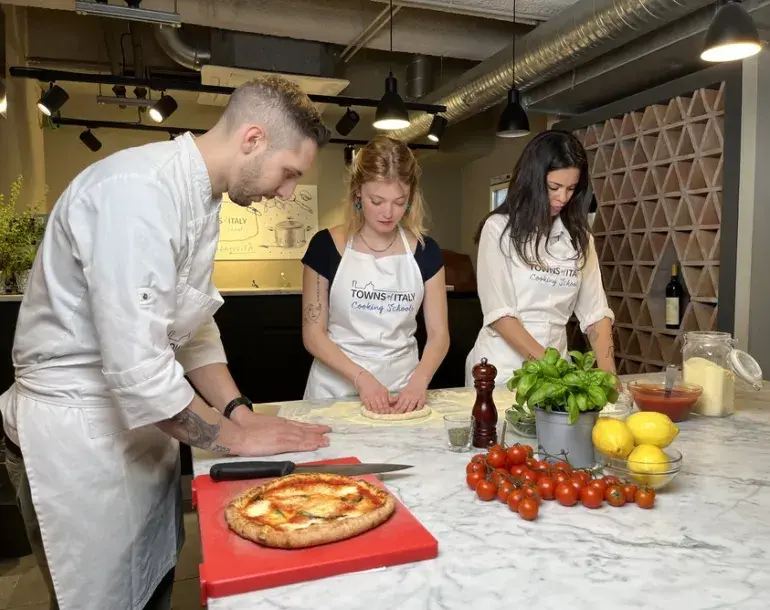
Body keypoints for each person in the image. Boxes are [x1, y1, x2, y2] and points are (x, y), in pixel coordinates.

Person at [0, 75, 333, 610]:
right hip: (77, 442)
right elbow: (142, 371)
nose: (287, 192)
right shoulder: (135, 193)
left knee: (153, 588)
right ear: (252, 139)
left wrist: (239, 412)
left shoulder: (200, 199)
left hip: (137, 441)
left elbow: (194, 328)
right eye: (289, 172)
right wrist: (236, 440)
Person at [301, 135, 449, 414]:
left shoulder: (426, 252)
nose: (388, 212)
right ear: (358, 192)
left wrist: (420, 379)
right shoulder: (326, 247)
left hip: (403, 392)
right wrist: (362, 378)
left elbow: (439, 334)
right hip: (336, 390)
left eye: (399, 201)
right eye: (377, 200)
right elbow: (313, 334)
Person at [465, 130, 616, 387]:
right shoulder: (499, 229)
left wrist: (610, 378)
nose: (562, 198)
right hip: (501, 372)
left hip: (556, 370)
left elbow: (596, 315)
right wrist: (553, 371)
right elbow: (501, 316)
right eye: (554, 187)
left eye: (571, 189)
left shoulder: (579, 239)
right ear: (533, 180)